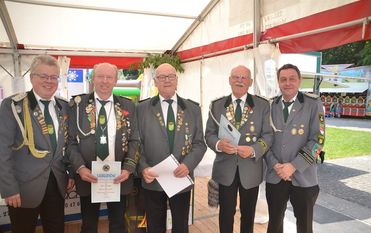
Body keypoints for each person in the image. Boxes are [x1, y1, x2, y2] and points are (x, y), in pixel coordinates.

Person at [0, 55, 74, 233]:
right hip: (24, 187)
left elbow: (70, 144)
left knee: (56, 229)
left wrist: (71, 173)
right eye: (43, 76)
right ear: (32, 77)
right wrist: (9, 189)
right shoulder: (13, 105)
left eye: (54, 77)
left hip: (57, 183)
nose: (49, 81)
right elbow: (2, 151)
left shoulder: (64, 106)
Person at [67, 63, 140, 233]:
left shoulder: (128, 106)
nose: (105, 81)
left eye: (109, 77)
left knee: (117, 224)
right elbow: (70, 142)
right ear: (93, 79)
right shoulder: (77, 105)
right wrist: (80, 168)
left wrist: (128, 169)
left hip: (119, 176)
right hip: (88, 176)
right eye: (100, 76)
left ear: (115, 81)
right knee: (89, 225)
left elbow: (135, 140)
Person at [137, 63, 206, 233]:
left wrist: (187, 165)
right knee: (154, 226)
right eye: (161, 77)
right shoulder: (141, 109)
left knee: (181, 226)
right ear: (155, 81)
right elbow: (135, 144)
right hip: (153, 178)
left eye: (171, 76)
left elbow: (199, 144)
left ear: (177, 79)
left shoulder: (193, 109)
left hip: (180, 178)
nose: (166, 80)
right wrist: (143, 168)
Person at [205, 65, 273, 233]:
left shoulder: (263, 105)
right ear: (229, 80)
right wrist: (218, 145)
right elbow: (209, 134)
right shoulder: (217, 105)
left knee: (248, 214)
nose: (239, 81)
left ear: (250, 82)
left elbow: (269, 136)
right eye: (236, 77)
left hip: (250, 168)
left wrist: (254, 150)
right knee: (225, 213)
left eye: (244, 78)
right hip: (225, 168)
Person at [265, 64, 325, 233]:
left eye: (292, 79)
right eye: (283, 79)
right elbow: (264, 140)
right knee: (274, 225)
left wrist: (293, 166)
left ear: (299, 81)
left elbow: (318, 140)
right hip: (275, 176)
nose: (287, 83)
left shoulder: (313, 103)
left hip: (304, 176)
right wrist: (275, 165)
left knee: (305, 226)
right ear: (278, 82)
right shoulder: (269, 106)